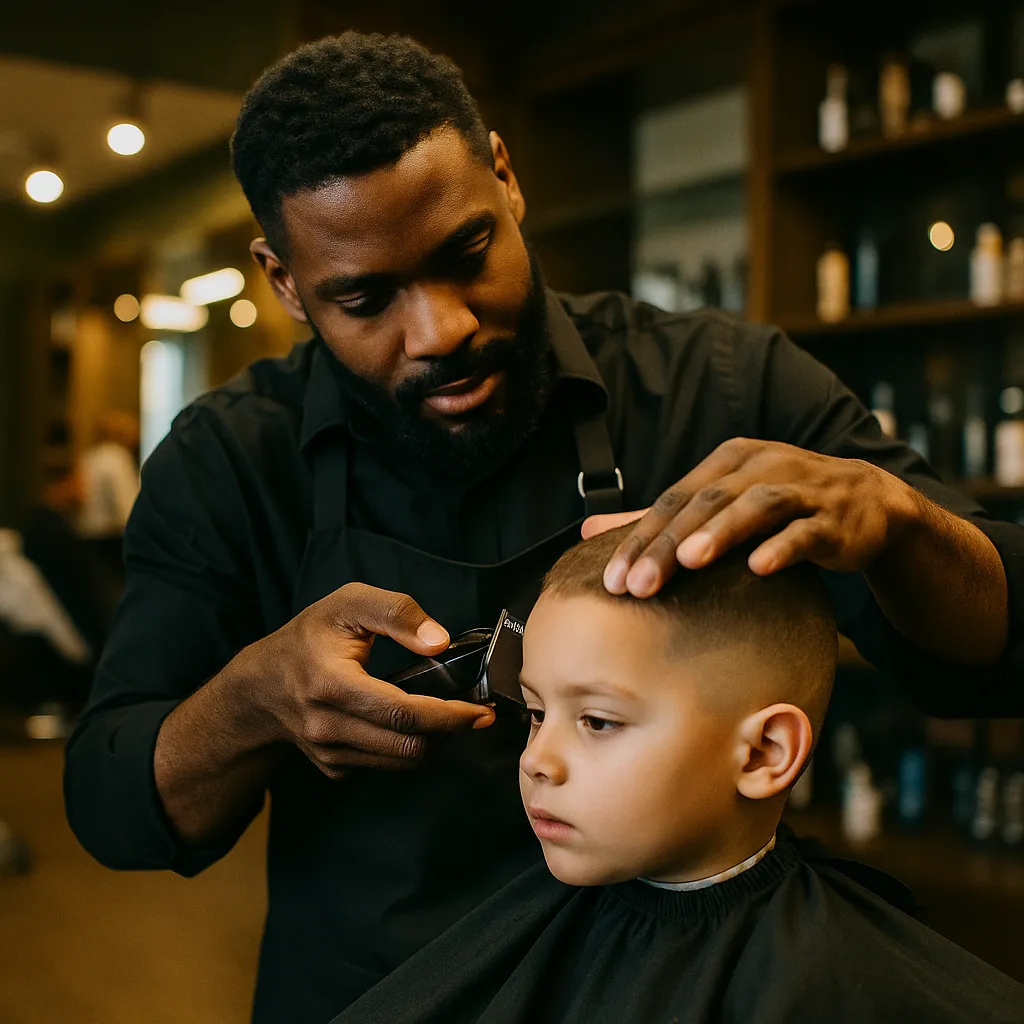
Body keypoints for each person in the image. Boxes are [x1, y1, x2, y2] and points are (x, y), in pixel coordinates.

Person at [63, 32, 1024, 1024]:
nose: (438, 330)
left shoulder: (725, 388)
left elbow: (1003, 649)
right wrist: (253, 701)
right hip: (382, 992)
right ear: (284, 280)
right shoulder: (229, 461)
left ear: (506, 179)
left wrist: (899, 525)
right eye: (366, 297)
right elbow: (112, 806)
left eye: (465, 253)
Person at [329, 528, 1024, 1023]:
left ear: (763, 754)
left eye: (598, 722)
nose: (536, 759)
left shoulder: (833, 979)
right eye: (536, 713)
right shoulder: (525, 926)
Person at [76, 410, 140, 540]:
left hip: (85, 537)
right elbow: (127, 511)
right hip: (108, 541)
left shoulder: (89, 457)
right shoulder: (117, 457)